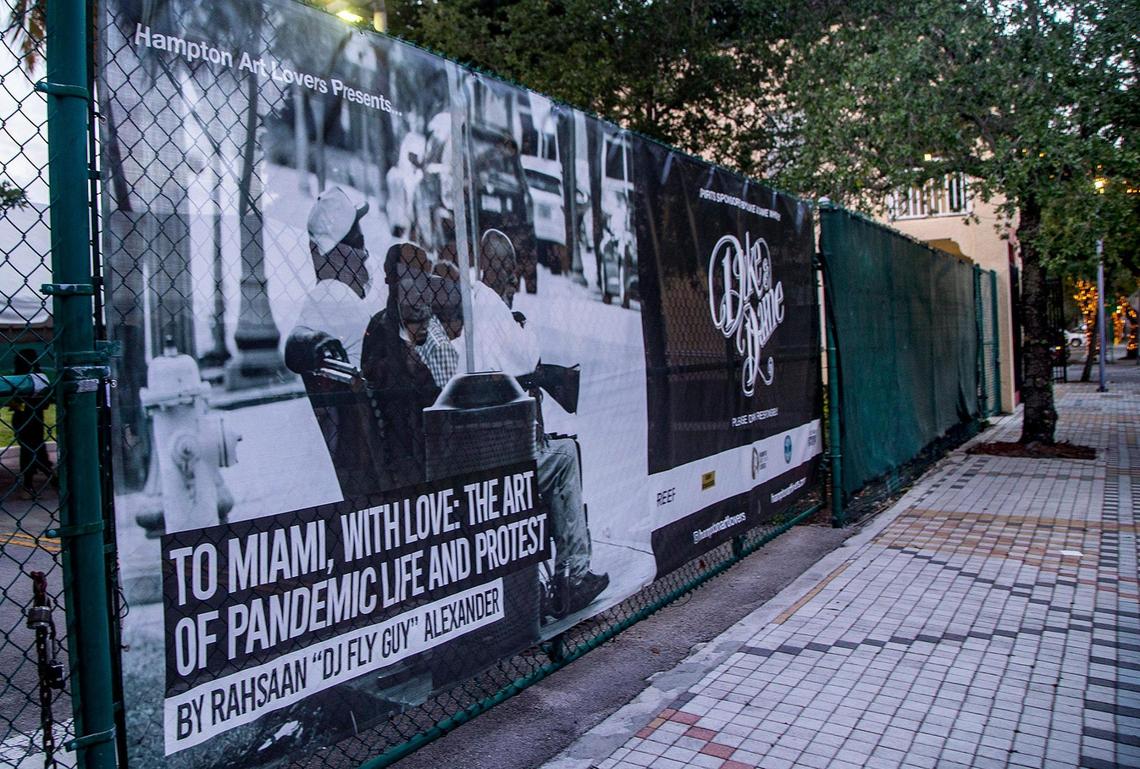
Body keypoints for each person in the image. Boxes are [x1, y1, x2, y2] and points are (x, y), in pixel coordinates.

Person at [466, 229, 609, 617]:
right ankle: (573, 573)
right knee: (566, 456)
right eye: (509, 268)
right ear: (498, 267)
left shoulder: (479, 304)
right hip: (503, 454)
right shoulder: (494, 309)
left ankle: (566, 574)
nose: (514, 277)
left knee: (559, 452)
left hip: (486, 444)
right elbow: (528, 358)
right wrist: (523, 323)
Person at [287, 188, 380, 499]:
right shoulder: (341, 303)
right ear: (339, 253)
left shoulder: (320, 299)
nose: (366, 255)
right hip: (368, 456)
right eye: (359, 244)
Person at [359, 244, 441, 490]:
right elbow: (376, 379)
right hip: (400, 434)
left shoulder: (432, 319)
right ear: (392, 281)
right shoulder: (381, 325)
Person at [9, 348, 54, 496]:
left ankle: (32, 481)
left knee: (30, 449)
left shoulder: (18, 377)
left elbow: (14, 402)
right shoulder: (38, 376)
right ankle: (39, 478)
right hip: (32, 418)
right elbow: (45, 402)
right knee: (33, 449)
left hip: (24, 418)